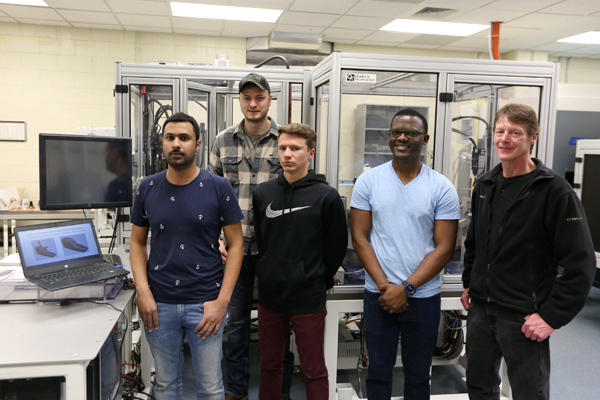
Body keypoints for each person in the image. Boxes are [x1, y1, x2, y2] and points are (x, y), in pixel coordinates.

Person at [460, 103, 596, 400]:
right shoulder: (485, 184)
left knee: (529, 393)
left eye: (515, 132)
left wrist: (550, 317)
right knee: (479, 387)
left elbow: (581, 264)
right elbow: (475, 242)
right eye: (500, 131)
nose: (504, 139)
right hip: (481, 310)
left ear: (532, 137)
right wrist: (470, 282)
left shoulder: (553, 191)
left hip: (523, 317)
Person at [130, 112, 244, 399]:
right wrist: (143, 291)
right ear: (162, 143)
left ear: (198, 144)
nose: (176, 144)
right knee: (166, 385)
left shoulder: (219, 188)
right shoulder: (148, 188)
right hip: (160, 304)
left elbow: (237, 245)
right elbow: (137, 242)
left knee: (210, 386)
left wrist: (222, 302)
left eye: (184, 138)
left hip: (206, 304)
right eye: (170, 138)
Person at [350, 108, 460, 400]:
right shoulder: (368, 181)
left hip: (422, 299)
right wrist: (387, 287)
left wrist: (407, 288)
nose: (401, 137)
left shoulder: (441, 187)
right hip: (379, 297)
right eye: (395, 132)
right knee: (378, 373)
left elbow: (445, 248)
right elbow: (360, 237)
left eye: (410, 133)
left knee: (418, 375)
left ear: (424, 139)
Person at [208, 72, 294, 400]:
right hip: (235, 249)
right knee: (236, 323)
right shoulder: (222, 140)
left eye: (259, 97)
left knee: (278, 322)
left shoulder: (284, 139)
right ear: (240, 101)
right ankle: (236, 391)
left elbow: (299, 193)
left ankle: (279, 392)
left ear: (270, 99)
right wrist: (215, 238)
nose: (253, 104)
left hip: (276, 250)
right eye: (247, 98)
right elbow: (210, 194)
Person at [252, 123, 348, 400]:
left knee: (313, 368)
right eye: (282, 148)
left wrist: (314, 276)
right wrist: (268, 270)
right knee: (270, 366)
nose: (287, 154)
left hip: (308, 296)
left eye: (295, 148)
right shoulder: (263, 194)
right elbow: (262, 239)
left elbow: (335, 248)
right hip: (271, 296)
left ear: (311, 153)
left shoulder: (326, 196)